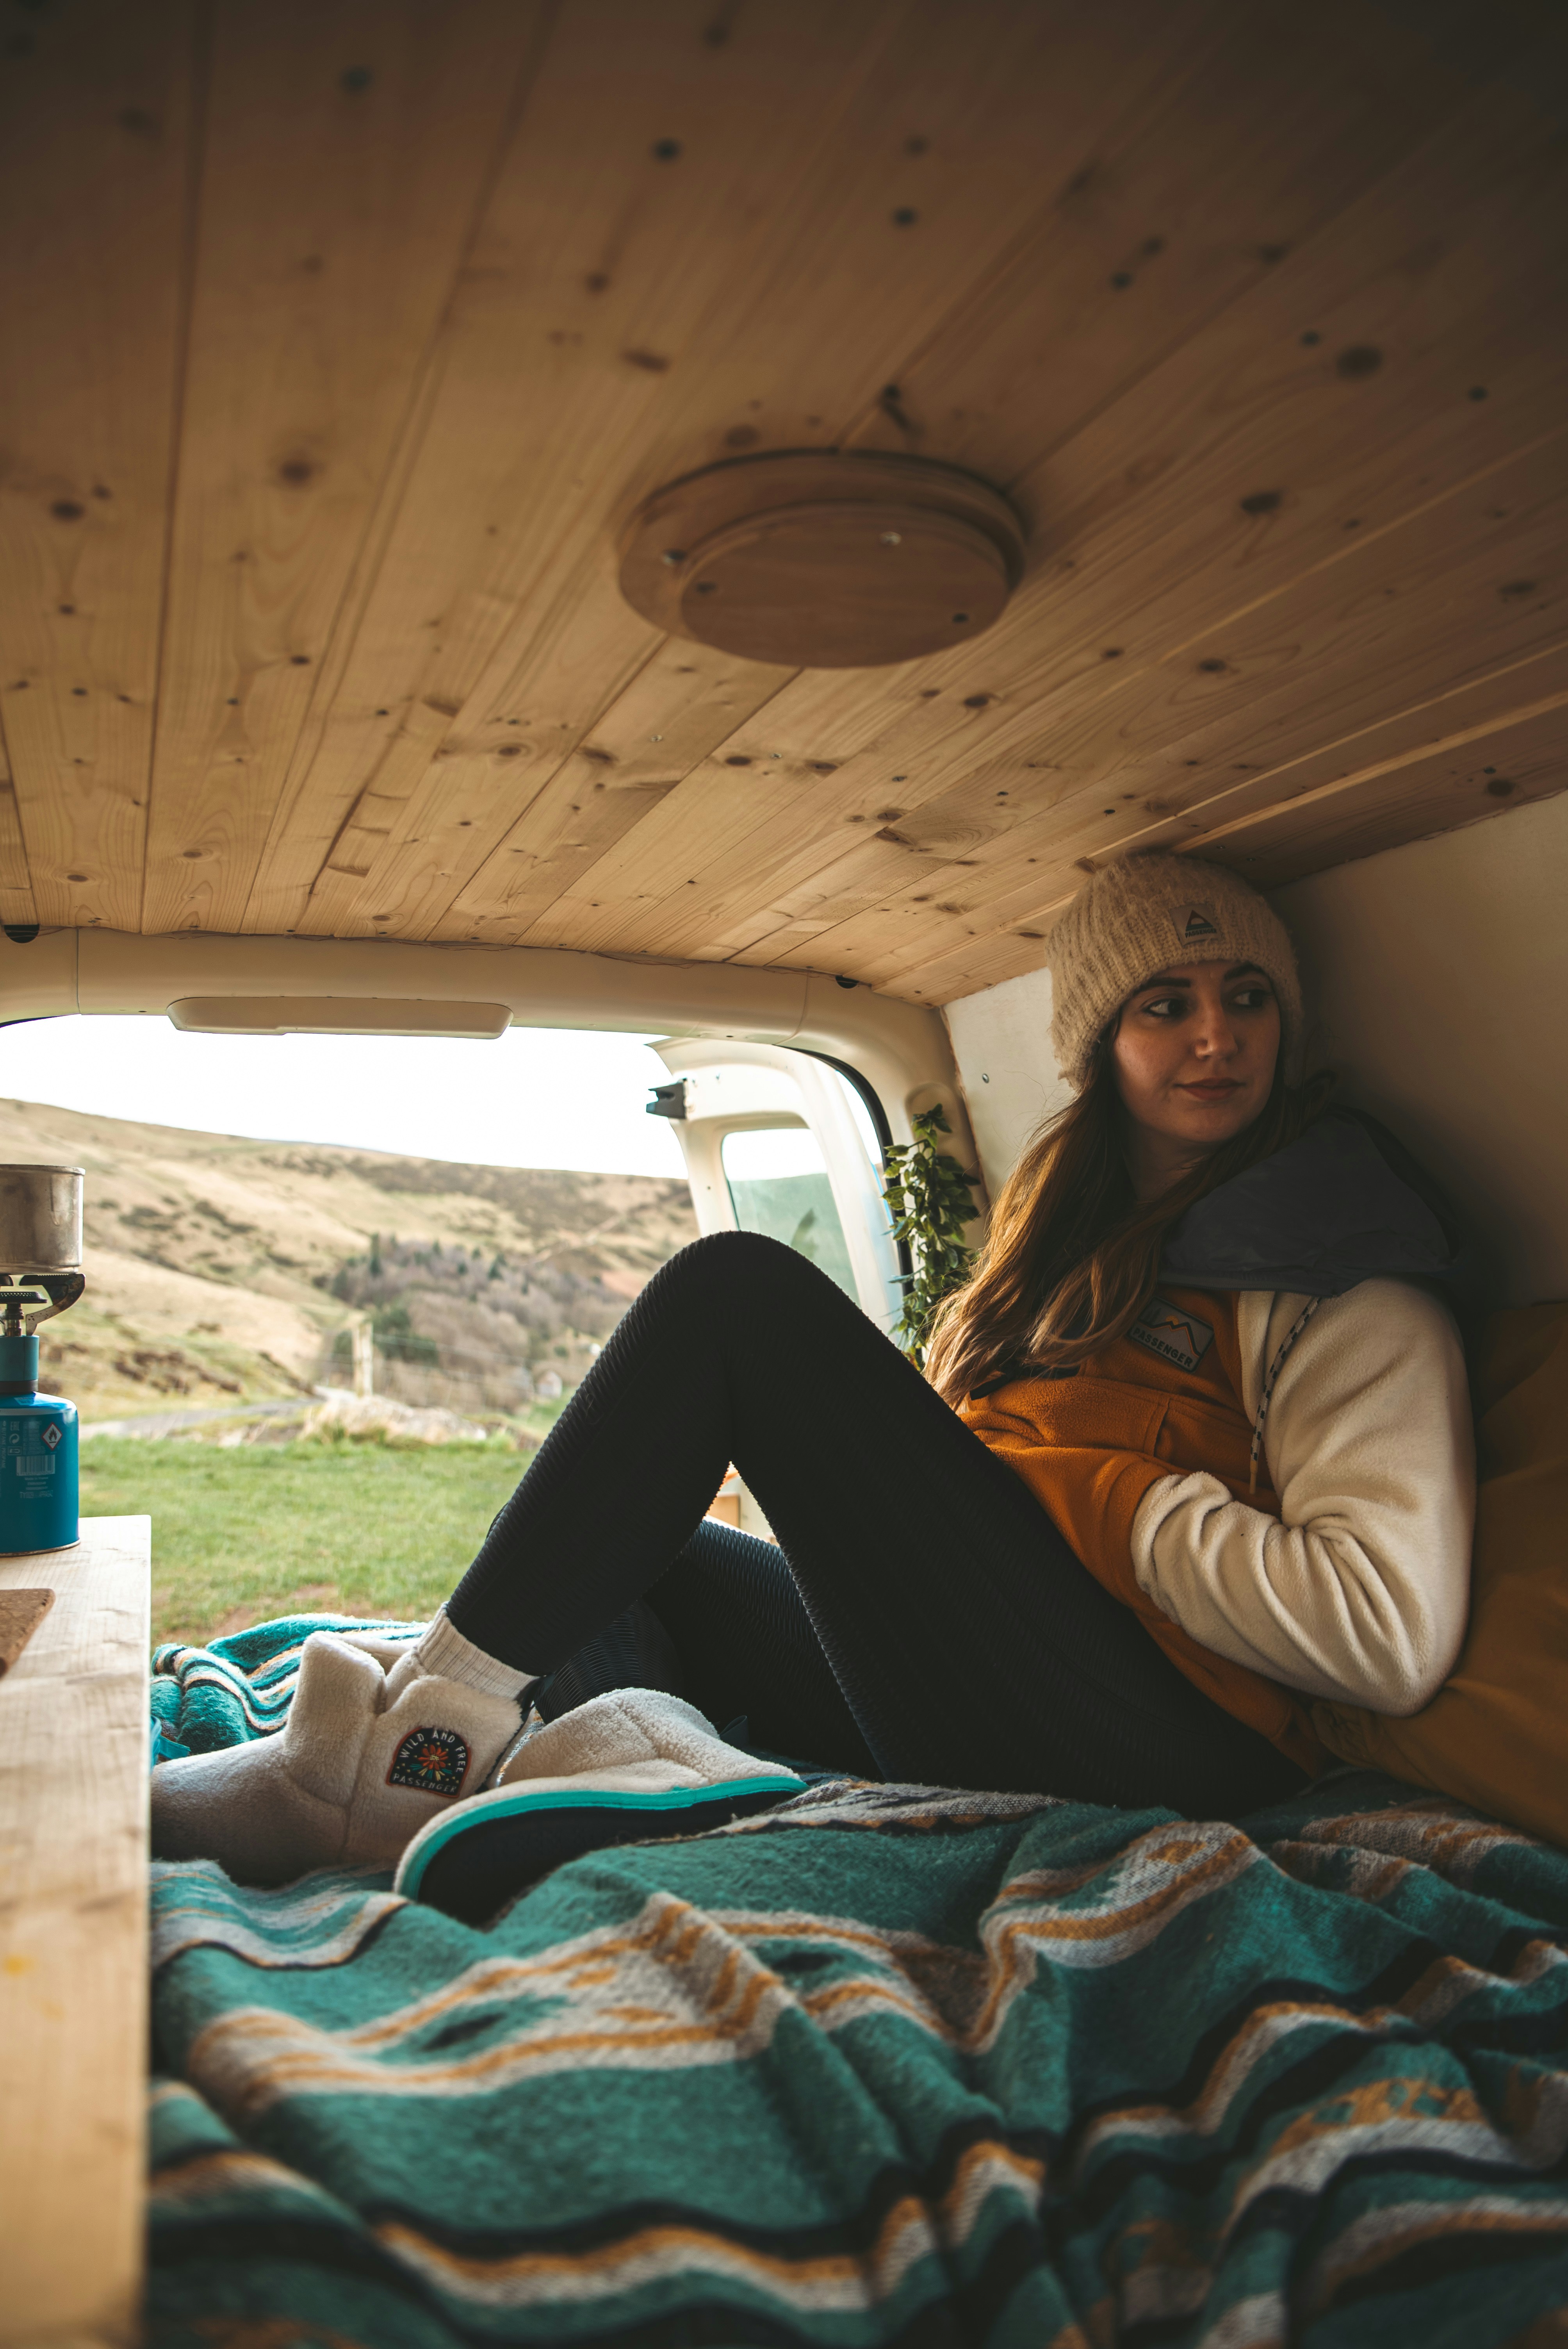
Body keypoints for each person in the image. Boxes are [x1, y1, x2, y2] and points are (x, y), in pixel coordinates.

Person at [152, 853, 1475, 1880]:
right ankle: (625, 1763)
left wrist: (1099, 1498)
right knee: (629, 1539)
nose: (1214, 1036)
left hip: (1175, 1744)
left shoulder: (1336, 1271)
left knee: (738, 1294)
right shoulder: (1072, 1258)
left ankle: (387, 1764)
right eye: (1166, 1005)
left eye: (1247, 998)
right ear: (1098, 1045)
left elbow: (1385, 1636)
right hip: (1014, 1681)